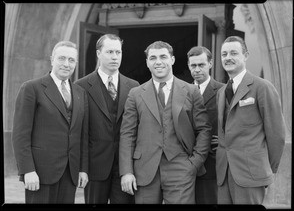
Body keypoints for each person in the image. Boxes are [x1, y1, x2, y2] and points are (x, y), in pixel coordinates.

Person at [119, 41, 211, 204]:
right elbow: (127, 134)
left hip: (181, 168)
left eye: (163, 57)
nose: (158, 62)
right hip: (144, 170)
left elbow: (204, 130)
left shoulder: (191, 91)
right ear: (147, 62)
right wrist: (126, 171)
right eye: (153, 58)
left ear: (173, 60)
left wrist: (194, 163)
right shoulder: (136, 94)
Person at [11, 41, 89, 203]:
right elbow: (20, 135)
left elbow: (82, 134)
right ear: (52, 60)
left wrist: (83, 168)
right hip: (40, 174)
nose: (66, 64)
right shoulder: (32, 88)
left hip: (70, 173)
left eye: (71, 60)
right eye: (62, 58)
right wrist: (27, 170)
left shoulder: (80, 92)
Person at [216, 36, 286, 204]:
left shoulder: (262, 87)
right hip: (224, 174)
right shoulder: (221, 92)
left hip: (251, 174)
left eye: (234, 53)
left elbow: (277, 135)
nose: (228, 57)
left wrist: (266, 170)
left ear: (245, 56)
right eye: (224, 54)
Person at [75, 34, 139, 204]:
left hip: (125, 169)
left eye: (118, 52)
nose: (115, 57)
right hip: (95, 168)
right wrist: (82, 168)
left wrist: (132, 167)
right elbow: (81, 132)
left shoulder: (134, 87)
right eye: (110, 52)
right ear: (98, 54)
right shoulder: (81, 86)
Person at [187, 46, 224, 204]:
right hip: (186, 163)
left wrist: (224, 141)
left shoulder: (223, 90)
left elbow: (234, 123)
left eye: (201, 65)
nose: (197, 69)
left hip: (212, 164)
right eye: (193, 65)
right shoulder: (181, 91)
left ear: (210, 64)